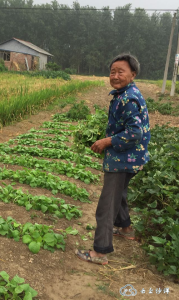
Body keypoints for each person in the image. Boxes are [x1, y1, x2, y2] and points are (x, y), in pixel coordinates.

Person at [75, 54, 151, 265]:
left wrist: (107, 141)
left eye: (121, 71)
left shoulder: (127, 98)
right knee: (120, 193)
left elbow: (134, 133)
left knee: (107, 205)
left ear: (133, 74)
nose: (115, 75)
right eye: (112, 71)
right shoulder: (126, 93)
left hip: (123, 159)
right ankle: (126, 229)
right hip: (132, 158)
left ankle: (100, 252)